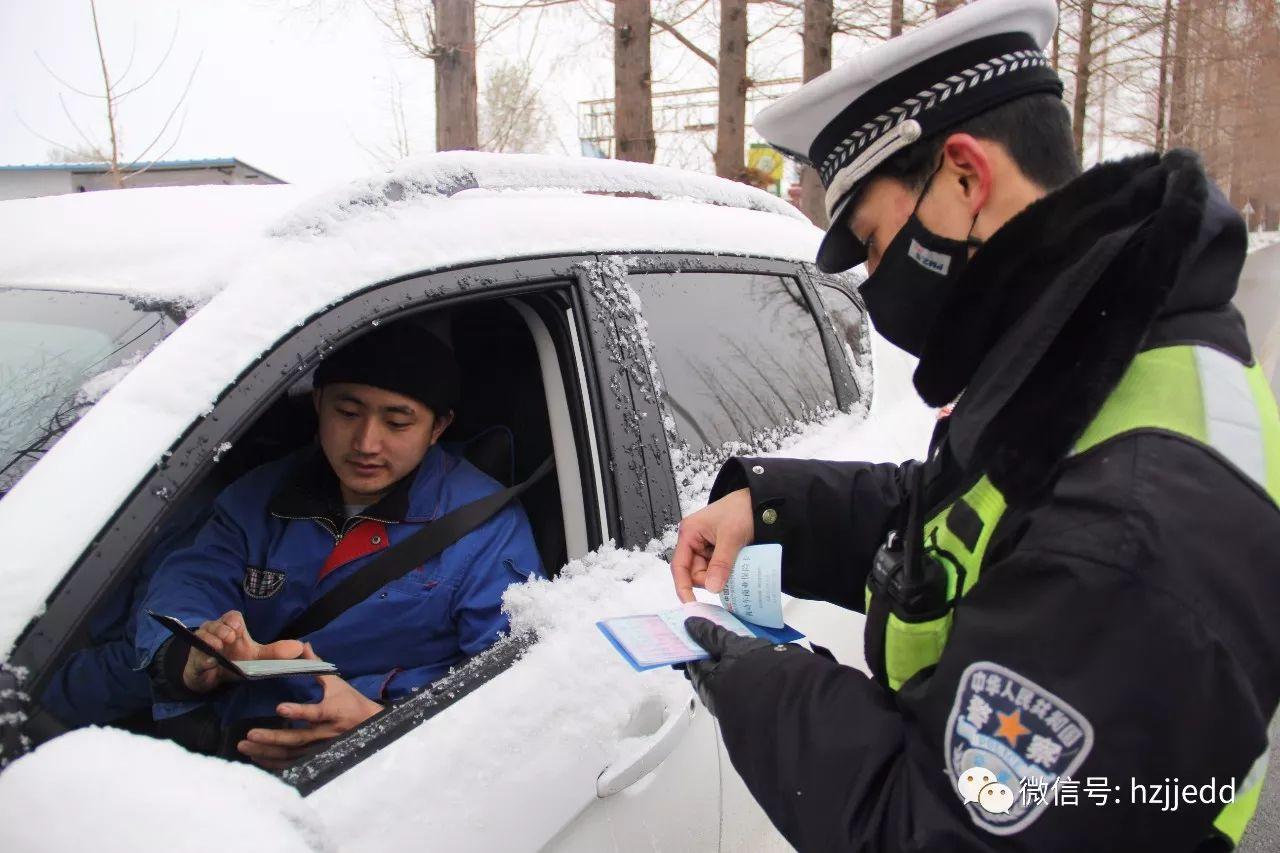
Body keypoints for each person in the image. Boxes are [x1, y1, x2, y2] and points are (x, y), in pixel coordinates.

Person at [669, 0, 1280, 850]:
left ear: (964, 178)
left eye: (877, 244)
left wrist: (763, 689)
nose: (877, 285)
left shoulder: (1125, 535)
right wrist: (775, 510)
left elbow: (945, 832)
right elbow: (970, 519)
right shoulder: (1092, 352)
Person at [136, 323, 543, 768]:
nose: (366, 443)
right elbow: (191, 580)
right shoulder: (258, 497)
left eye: (397, 422)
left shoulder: (483, 528)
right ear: (318, 403)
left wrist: (379, 725)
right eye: (348, 413)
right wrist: (197, 653)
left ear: (438, 427)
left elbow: (515, 683)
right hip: (233, 749)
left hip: (391, 767)